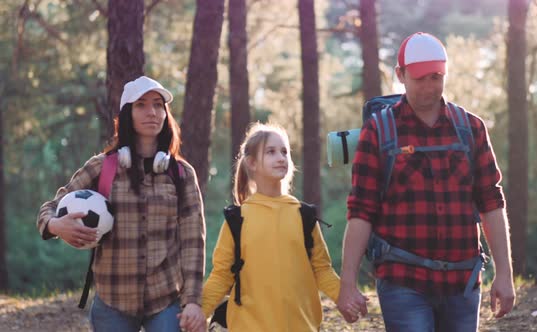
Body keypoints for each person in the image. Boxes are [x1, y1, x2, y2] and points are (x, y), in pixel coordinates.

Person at [338, 32, 516, 331]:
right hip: (402, 281)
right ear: (400, 75)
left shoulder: (471, 128)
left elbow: (491, 203)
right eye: (420, 78)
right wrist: (348, 283)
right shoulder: (378, 132)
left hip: (462, 281)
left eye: (436, 77)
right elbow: (361, 211)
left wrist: (505, 274)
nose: (429, 86)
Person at [37, 76, 207, 332]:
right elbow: (50, 207)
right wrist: (55, 225)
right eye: (141, 104)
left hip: (165, 301)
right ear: (128, 113)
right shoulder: (101, 167)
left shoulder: (182, 173)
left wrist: (192, 301)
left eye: (158, 104)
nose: (152, 112)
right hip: (112, 303)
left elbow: (193, 241)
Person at [200, 123, 342, 331]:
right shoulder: (237, 219)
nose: (281, 157)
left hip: (301, 326)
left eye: (284, 152)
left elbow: (322, 269)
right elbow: (222, 275)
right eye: (271, 152)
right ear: (252, 163)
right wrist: (198, 311)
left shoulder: (303, 215)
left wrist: (344, 297)